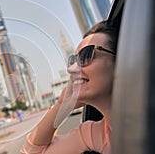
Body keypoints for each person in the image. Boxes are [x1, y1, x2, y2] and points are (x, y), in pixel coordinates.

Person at [20, 20, 118, 154]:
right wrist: (62, 105)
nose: (71, 69)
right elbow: (31, 152)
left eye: (86, 55)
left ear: (120, 62)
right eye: (73, 61)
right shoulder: (94, 136)